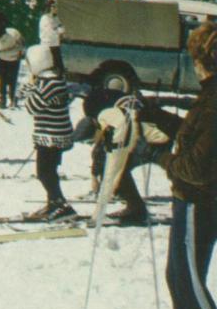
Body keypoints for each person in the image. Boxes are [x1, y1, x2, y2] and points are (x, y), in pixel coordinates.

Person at [140, 22, 217, 309]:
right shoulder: (209, 94)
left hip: (200, 201)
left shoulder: (214, 100)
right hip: (192, 200)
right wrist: (155, 115)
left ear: (202, 59)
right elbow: (192, 137)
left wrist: (156, 157)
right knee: (179, 275)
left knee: (188, 278)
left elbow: (197, 166)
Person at [73, 87, 179, 224]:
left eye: (90, 141)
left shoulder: (115, 125)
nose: (91, 144)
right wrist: (95, 175)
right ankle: (136, 207)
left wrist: (99, 213)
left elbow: (112, 166)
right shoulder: (110, 114)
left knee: (117, 169)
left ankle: (136, 210)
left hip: (158, 137)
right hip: (161, 130)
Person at [22, 44, 76, 220]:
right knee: (48, 171)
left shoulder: (50, 83)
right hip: (51, 133)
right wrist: (30, 88)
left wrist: (29, 88)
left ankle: (60, 203)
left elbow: (31, 107)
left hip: (53, 135)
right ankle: (53, 202)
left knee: (44, 172)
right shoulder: (50, 80)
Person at [0, 16, 24, 108]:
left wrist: (21, 53)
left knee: (12, 80)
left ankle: (12, 99)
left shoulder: (14, 34)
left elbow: (22, 45)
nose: (0, 39)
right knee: (2, 80)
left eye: (1, 37)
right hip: (1, 60)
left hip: (14, 60)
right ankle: (2, 99)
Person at [39, 0, 65, 75]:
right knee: (48, 66)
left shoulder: (55, 18)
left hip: (56, 44)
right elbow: (50, 33)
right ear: (49, 7)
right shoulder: (45, 18)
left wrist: (57, 29)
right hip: (47, 45)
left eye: (55, 6)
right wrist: (57, 30)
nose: (55, 8)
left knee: (59, 66)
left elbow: (62, 29)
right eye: (53, 6)